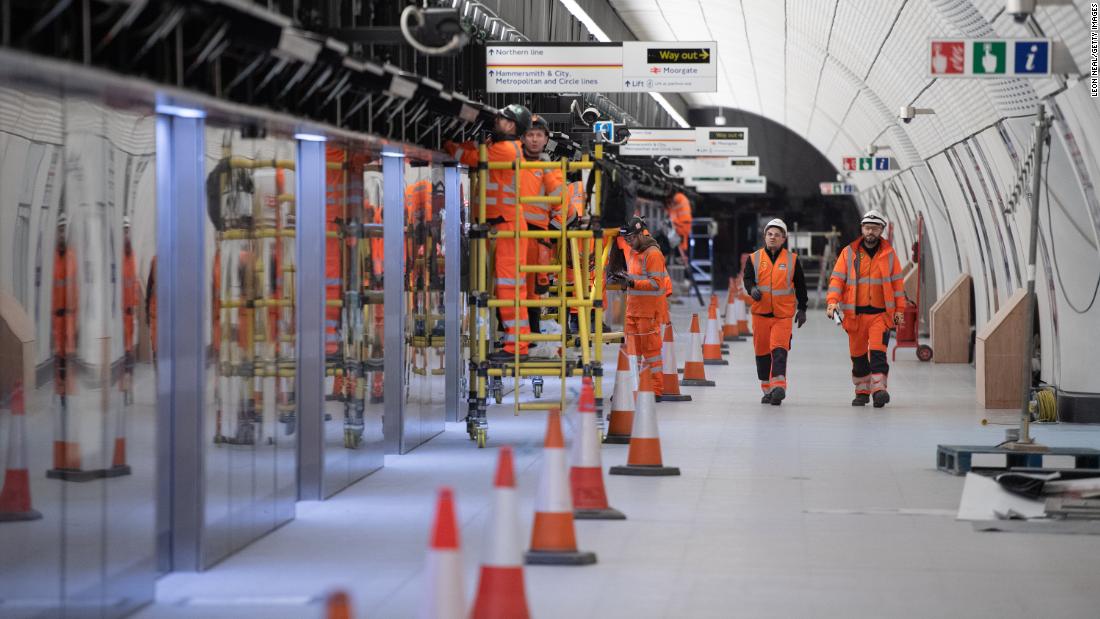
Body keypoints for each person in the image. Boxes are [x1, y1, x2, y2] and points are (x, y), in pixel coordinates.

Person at [445, 104, 531, 361]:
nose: (497, 120)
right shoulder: (499, 146)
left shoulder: (505, 150)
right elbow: (477, 151)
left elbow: (470, 157)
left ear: (513, 126)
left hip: (508, 227)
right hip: (499, 226)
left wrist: (447, 144)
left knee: (509, 287)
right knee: (499, 286)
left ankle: (518, 348)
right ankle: (509, 342)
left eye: (503, 119)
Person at [826, 210, 906, 408]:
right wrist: (832, 301)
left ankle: (879, 390)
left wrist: (899, 310)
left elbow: (897, 284)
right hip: (855, 315)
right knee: (858, 355)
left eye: (875, 228)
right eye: (867, 227)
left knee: (878, 352)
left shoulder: (889, 255)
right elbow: (837, 279)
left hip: (881, 314)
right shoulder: (849, 253)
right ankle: (862, 391)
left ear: (882, 230)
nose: (870, 231)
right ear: (862, 229)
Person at [742, 219, 807, 406]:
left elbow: (801, 287)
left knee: (779, 350)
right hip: (760, 315)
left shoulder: (792, 260)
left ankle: (779, 386)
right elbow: (747, 279)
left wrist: (802, 308)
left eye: (777, 235)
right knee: (762, 353)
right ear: (764, 236)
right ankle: (767, 389)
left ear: (784, 239)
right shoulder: (754, 258)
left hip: (783, 315)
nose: (773, 237)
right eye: (770, 234)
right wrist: (751, 288)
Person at [609, 217, 670, 400]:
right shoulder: (634, 252)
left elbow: (656, 284)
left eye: (631, 239)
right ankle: (630, 390)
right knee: (631, 354)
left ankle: (656, 391)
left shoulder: (653, 254)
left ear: (640, 234)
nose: (629, 243)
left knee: (651, 353)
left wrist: (633, 282)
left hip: (648, 314)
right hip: (633, 312)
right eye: (626, 240)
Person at [518, 114, 564, 340]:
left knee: (533, 288)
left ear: (546, 139)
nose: (534, 139)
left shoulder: (550, 168)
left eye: (539, 135)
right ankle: (512, 337)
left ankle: (532, 336)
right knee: (508, 286)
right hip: (512, 232)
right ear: (523, 137)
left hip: (536, 235)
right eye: (530, 135)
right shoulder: (511, 161)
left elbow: (559, 201)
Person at [664, 190, 693, 261]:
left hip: (682, 224)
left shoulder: (678, 197)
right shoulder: (682, 198)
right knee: (682, 242)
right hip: (685, 224)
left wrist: (667, 211)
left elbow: (672, 210)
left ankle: (679, 257)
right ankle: (682, 256)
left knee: (673, 239)